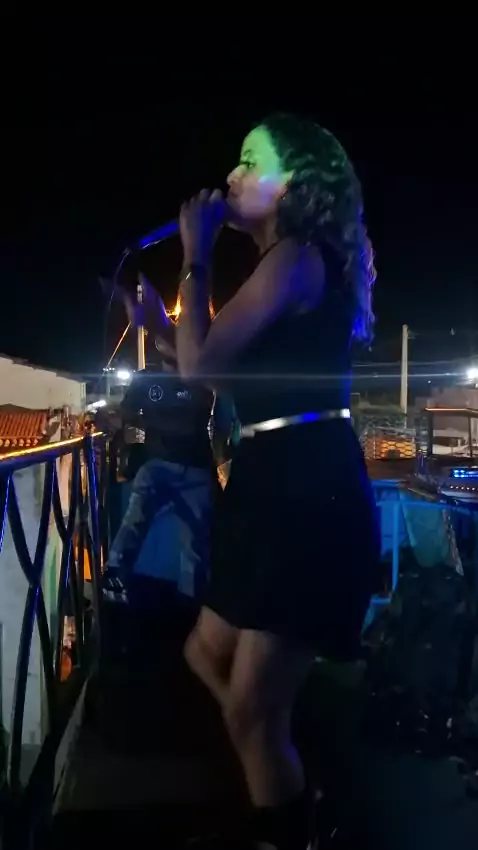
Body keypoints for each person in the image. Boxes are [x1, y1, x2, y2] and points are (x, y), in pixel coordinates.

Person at [163, 113, 381, 849]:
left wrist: (194, 255)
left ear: (295, 186)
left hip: (304, 488)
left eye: (251, 162)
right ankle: (286, 773)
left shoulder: (295, 256)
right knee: (208, 658)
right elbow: (219, 372)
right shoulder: (282, 266)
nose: (232, 176)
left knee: (252, 710)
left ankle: (288, 819)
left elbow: (200, 370)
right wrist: (159, 322)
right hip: (268, 481)